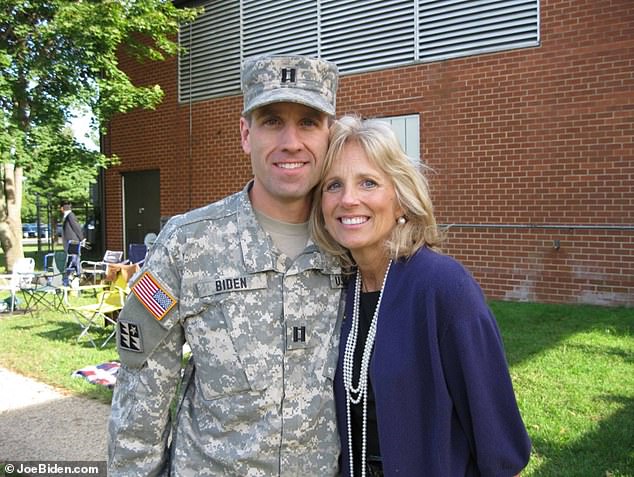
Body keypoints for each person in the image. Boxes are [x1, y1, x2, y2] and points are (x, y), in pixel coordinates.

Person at [107, 54, 344, 476]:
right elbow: (141, 385)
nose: (291, 141)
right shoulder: (185, 243)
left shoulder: (350, 246)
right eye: (272, 121)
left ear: (330, 135)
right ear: (245, 133)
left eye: (308, 122)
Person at [310, 115, 531, 476]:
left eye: (368, 182)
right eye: (334, 185)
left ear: (400, 200)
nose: (348, 199)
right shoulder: (336, 289)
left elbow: (500, 444)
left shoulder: (443, 288)